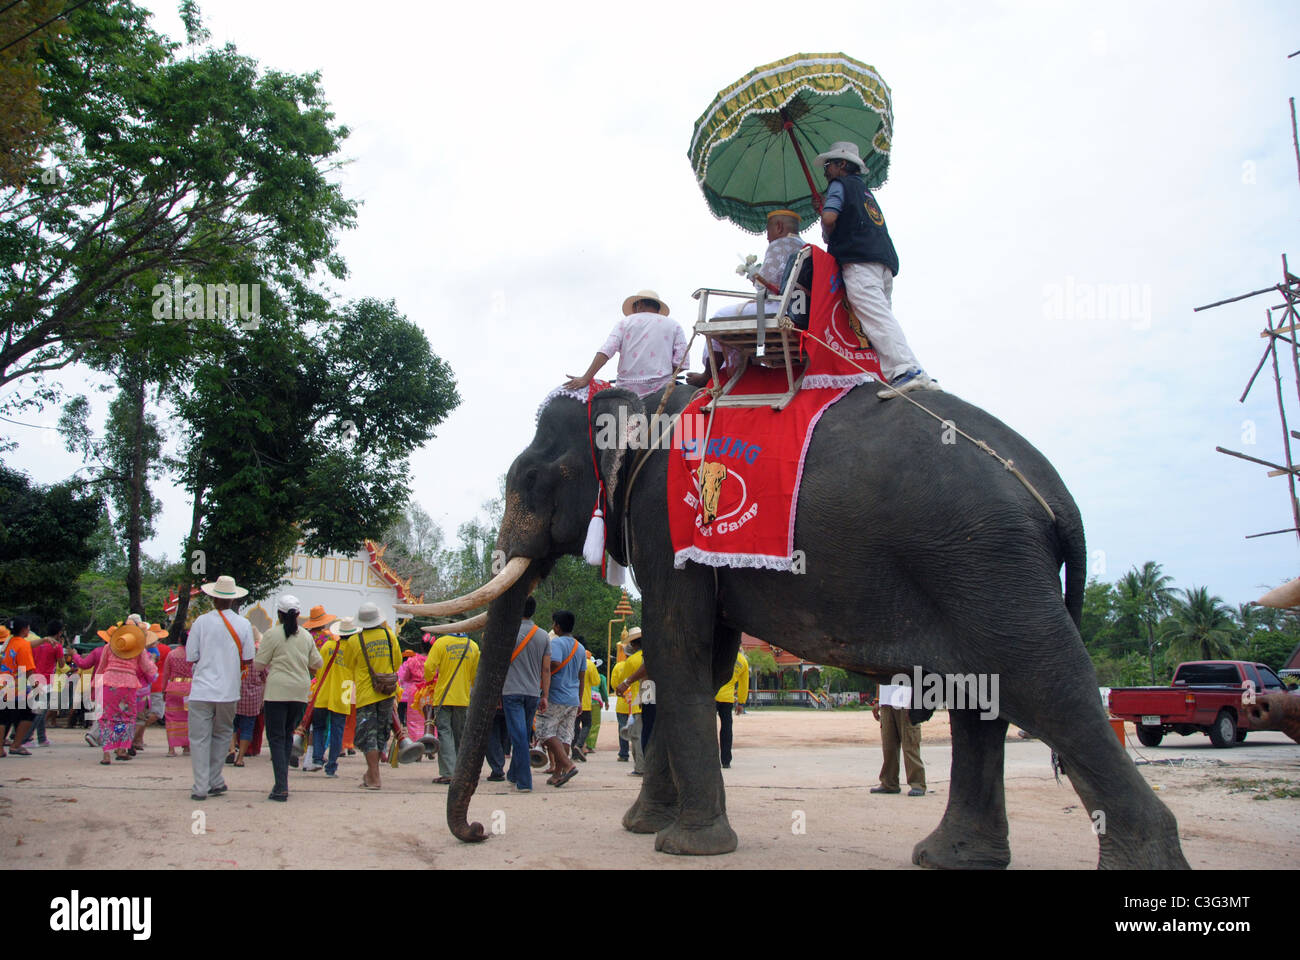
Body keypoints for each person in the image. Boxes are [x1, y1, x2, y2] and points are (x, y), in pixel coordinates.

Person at [817, 140, 938, 399]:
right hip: (882, 261)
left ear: (841, 165)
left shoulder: (839, 186)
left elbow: (829, 219)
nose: (825, 170)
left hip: (859, 262)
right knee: (881, 317)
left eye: (829, 165)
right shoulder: (864, 190)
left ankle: (907, 370)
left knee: (876, 319)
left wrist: (826, 227)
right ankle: (905, 369)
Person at [186, 575, 255, 801]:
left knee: (199, 738)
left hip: (201, 689)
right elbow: (248, 657)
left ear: (214, 598)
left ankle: (200, 786)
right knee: (223, 734)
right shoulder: (244, 624)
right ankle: (215, 779)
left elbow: (191, 656)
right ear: (233, 600)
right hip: (228, 690)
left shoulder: (200, 622)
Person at [254, 595, 323, 801]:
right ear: (299, 615)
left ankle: (281, 785)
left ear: (279, 614)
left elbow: (259, 665)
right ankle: (282, 783)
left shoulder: (272, 634)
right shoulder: (306, 636)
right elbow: (317, 663)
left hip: (277, 691)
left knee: (276, 737)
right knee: (286, 735)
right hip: (299, 692)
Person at [564, 290, 688, 398]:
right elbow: (682, 363)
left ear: (639, 304)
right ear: (657, 308)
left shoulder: (625, 323)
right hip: (662, 388)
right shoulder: (674, 325)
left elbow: (607, 350)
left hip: (627, 389)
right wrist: (659, 374)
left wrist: (586, 378)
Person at [71, 622, 158, 764]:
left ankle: (106, 753)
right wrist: (153, 662)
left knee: (107, 717)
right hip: (129, 684)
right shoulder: (138, 649)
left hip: (109, 683)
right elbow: (148, 668)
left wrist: (95, 687)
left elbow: (101, 667)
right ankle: (122, 749)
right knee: (127, 718)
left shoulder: (109, 646)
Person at [341, 603, 402, 791]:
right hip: (387, 692)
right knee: (381, 733)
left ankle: (374, 777)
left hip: (367, 694)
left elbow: (349, 665)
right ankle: (371, 774)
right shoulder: (389, 635)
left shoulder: (354, 641)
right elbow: (397, 662)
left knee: (369, 736)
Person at [500, 596, 549, 793]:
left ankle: (524, 780)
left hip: (511, 690)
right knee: (522, 734)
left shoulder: (507, 632)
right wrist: (544, 694)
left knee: (519, 736)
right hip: (532, 692)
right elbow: (546, 669)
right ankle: (513, 774)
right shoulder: (543, 635)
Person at [424, 627, 480, 786]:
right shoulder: (473, 646)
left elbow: (428, 668)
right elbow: (476, 674)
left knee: (444, 733)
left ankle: (449, 773)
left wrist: (429, 678)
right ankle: (461, 771)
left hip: (443, 697)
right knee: (460, 735)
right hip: (463, 697)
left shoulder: (441, 643)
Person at [536, 611, 584, 787]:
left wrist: (544, 691)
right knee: (564, 735)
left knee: (543, 731)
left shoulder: (556, 643)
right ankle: (558, 774)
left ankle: (568, 765)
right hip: (572, 698)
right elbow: (582, 675)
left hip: (556, 695)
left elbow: (553, 664)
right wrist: (579, 700)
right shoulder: (579, 647)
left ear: (557, 626)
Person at [306, 616, 351, 777]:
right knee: (338, 730)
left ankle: (317, 758)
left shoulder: (327, 646)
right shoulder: (353, 649)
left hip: (323, 690)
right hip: (344, 692)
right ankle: (331, 767)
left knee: (319, 727)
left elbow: (318, 668)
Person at [871, 681, 926, 797]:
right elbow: (879, 677)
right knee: (888, 746)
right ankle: (889, 783)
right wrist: (877, 700)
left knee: (910, 745)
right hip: (886, 703)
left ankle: (917, 784)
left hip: (907, 702)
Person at [0, 622, 38, 757]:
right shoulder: (23, 645)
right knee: (29, 714)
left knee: (3, 717)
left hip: (3, 684)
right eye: (28, 627)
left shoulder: (8, 643)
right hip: (17, 687)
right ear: (24, 629)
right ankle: (16, 745)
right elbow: (28, 670)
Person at [28, 620, 65, 747]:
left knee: (38, 709)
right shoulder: (56, 646)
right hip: (47, 681)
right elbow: (62, 664)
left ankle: (42, 738)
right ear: (59, 632)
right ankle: (26, 738)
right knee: (40, 711)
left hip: (34, 678)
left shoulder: (38, 643)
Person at [160, 630, 193, 757]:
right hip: (190, 690)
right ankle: (187, 747)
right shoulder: (194, 655)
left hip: (173, 688)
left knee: (172, 719)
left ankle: (171, 749)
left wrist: (164, 689)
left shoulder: (172, 654)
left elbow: (166, 674)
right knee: (188, 719)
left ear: (179, 639)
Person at [617, 630, 646, 775]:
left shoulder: (632, 660)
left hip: (637, 702)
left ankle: (640, 767)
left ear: (634, 644)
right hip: (650, 698)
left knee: (637, 737)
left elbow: (621, 680)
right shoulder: (649, 656)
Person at [715, 648, 750, 769]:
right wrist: (741, 702)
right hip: (727, 699)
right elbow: (744, 684)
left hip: (712, 695)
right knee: (726, 729)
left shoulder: (719, 652)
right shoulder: (743, 661)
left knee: (708, 728)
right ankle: (726, 760)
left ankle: (711, 758)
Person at [571, 637, 599, 762]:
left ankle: (574, 753)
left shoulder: (571, 660)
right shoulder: (590, 664)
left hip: (572, 698)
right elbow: (596, 681)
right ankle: (580, 744)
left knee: (575, 726)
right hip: (585, 700)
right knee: (587, 724)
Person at [610, 647, 632, 762]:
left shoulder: (618, 666)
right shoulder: (639, 663)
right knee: (638, 727)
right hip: (636, 701)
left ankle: (624, 753)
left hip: (622, 701)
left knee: (622, 727)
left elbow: (614, 684)